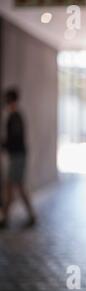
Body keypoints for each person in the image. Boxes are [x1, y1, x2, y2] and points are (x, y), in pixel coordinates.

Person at [0, 89, 37, 228]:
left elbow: (14, 139)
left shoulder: (15, 117)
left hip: (17, 156)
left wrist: (4, 145)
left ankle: (7, 217)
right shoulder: (14, 116)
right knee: (13, 187)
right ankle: (7, 216)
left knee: (15, 186)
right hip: (17, 155)